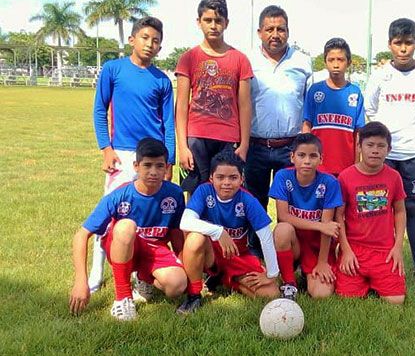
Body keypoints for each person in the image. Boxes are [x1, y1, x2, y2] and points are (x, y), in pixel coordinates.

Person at [88, 16, 175, 293]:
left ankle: (143, 275)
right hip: (123, 155)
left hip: (153, 159)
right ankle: (97, 272)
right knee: (111, 215)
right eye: (145, 38)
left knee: (149, 214)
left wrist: (168, 161)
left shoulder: (162, 81)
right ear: (132, 39)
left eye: (156, 41)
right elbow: (100, 110)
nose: (150, 44)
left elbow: (168, 124)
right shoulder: (113, 69)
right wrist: (106, 148)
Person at [69, 138, 186, 321]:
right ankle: (122, 298)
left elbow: (176, 231)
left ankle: (143, 279)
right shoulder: (120, 194)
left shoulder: (175, 194)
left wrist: (183, 261)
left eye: (159, 166)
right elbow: (81, 235)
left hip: (154, 250)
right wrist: (80, 282)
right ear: (136, 166)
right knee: (125, 226)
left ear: (166, 167)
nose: (153, 172)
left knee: (177, 286)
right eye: (147, 165)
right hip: (123, 245)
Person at [364, 18, 415, 282]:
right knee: (378, 207)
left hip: (414, 153)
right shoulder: (380, 75)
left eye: (409, 43)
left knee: (411, 207)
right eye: (398, 43)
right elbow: (370, 109)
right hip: (385, 155)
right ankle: (382, 258)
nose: (403, 49)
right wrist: (383, 141)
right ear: (389, 45)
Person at [176, 149, 280, 314]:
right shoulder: (204, 191)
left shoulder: (247, 199)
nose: (226, 183)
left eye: (233, 177)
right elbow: (185, 222)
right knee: (195, 238)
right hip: (210, 254)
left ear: (241, 179)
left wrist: (272, 273)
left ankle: (227, 279)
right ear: (211, 178)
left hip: (236, 255)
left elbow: (266, 236)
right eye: (220, 177)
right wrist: (218, 232)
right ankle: (194, 295)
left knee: (271, 294)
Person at [245, 5, 313, 256]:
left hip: (290, 148)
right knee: (255, 202)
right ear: (260, 32)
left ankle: (293, 254)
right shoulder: (248, 61)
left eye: (281, 29)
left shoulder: (302, 61)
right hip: (256, 145)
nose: (276, 34)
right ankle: (255, 252)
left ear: (288, 31)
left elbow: (309, 104)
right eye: (270, 29)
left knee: (294, 204)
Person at [175, 0, 253, 193]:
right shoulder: (188, 58)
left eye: (218, 21)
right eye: (208, 20)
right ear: (198, 22)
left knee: (227, 193)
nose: (213, 25)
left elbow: (244, 105)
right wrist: (182, 147)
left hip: (228, 139)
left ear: (226, 23)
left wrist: (244, 145)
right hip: (196, 137)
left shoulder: (240, 59)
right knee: (195, 193)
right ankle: (193, 226)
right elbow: (182, 105)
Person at [335, 122, 407, 304]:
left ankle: (377, 280)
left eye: (381, 146)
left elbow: (399, 211)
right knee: (347, 298)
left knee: (396, 300)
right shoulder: (345, 177)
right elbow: (338, 216)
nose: (375, 150)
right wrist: (346, 250)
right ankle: (360, 281)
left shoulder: (394, 177)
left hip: (384, 250)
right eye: (370, 145)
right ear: (359, 147)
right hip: (355, 250)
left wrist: (397, 247)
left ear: (389, 149)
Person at [270, 134, 343, 300]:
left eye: (313, 156)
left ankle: (311, 269)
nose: (307, 161)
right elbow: (283, 216)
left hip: (318, 245)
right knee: (282, 230)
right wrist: (318, 225)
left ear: (321, 159)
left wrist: (322, 262)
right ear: (292, 157)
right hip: (294, 240)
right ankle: (289, 282)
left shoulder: (329, 182)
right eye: (301, 155)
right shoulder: (283, 177)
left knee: (320, 294)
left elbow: (328, 228)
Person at [302, 38, 365, 176]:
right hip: (318, 166)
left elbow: (358, 133)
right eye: (331, 60)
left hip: (345, 167)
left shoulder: (355, 92)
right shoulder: (315, 90)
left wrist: (356, 165)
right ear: (325, 62)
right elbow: (307, 125)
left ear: (348, 62)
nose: (336, 64)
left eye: (340, 60)